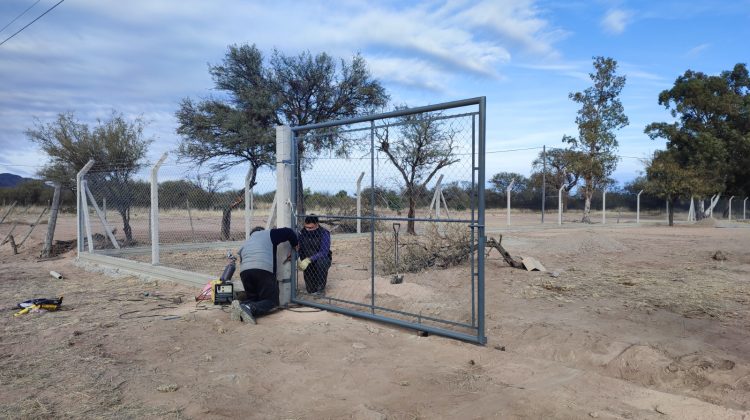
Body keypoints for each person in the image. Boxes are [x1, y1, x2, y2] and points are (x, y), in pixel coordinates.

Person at [232, 226, 298, 324]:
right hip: (262, 268)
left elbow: (242, 260)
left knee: (253, 298)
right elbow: (289, 232)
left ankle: (242, 306)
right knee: (272, 301)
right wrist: (295, 245)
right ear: (262, 231)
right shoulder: (268, 233)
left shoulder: (246, 242)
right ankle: (249, 307)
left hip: (245, 272)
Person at [297, 215, 331, 295]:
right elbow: (298, 247)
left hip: (319, 259)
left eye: (310, 228)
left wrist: (309, 259)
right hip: (306, 260)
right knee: (310, 290)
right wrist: (298, 258)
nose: (308, 230)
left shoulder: (324, 233)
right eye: (306, 227)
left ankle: (321, 289)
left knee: (322, 262)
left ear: (317, 224)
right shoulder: (302, 232)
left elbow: (324, 252)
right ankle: (313, 286)